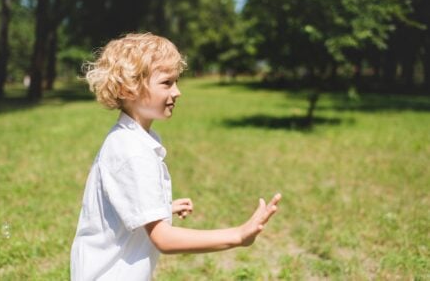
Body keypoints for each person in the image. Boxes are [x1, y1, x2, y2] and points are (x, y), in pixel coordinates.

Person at [70, 33, 281, 281]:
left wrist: (160, 208)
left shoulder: (129, 139)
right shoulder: (132, 151)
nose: (178, 91)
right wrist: (238, 235)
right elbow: (164, 239)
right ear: (129, 89)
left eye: (176, 81)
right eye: (166, 83)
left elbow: (122, 201)